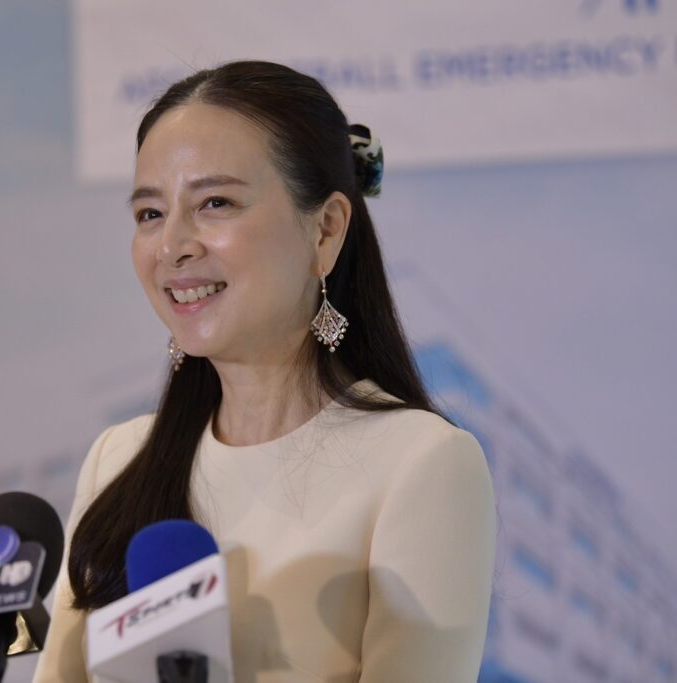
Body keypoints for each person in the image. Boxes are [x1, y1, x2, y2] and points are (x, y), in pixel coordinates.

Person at [32, 60, 496, 683]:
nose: (172, 246)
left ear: (325, 230)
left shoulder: (422, 462)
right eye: (149, 214)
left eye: (215, 203)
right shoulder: (117, 459)